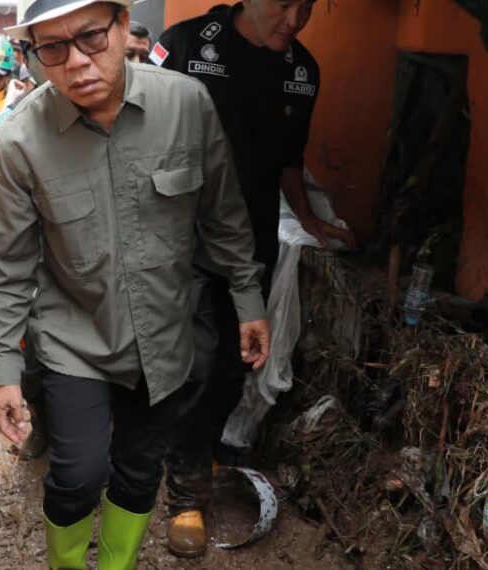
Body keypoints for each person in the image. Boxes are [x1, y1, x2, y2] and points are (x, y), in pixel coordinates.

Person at [0, 0, 271, 567]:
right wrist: (2, 370)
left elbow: (224, 215)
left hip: (164, 331)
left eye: (90, 36)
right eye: (53, 48)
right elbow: (9, 267)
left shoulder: (186, 104)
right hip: (73, 334)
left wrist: (248, 300)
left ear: (120, 26)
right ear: (35, 54)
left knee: (139, 472)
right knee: (77, 473)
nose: (76, 62)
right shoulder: (18, 141)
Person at [154, 0, 357, 558]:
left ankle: (197, 452)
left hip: (252, 245)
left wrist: (307, 218)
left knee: (234, 362)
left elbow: (290, 159)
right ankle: (186, 493)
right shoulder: (187, 44)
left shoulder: (301, 71)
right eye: (284, 3)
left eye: (307, 6)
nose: (295, 19)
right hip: (184, 240)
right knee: (197, 362)